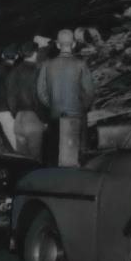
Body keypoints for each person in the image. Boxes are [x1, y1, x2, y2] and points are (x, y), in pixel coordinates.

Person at [37, 29, 95, 165]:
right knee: (75, 154)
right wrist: (81, 107)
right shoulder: (81, 64)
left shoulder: (47, 65)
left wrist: (52, 105)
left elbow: (41, 92)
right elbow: (89, 91)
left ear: (58, 45)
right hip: (76, 115)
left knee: (57, 155)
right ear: (74, 44)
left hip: (55, 116)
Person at [6, 41, 47, 160]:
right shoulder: (38, 71)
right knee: (36, 160)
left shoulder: (13, 71)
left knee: (23, 160)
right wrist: (44, 119)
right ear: (35, 53)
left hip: (18, 121)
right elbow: (39, 96)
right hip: (33, 119)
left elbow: (10, 97)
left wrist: (16, 114)